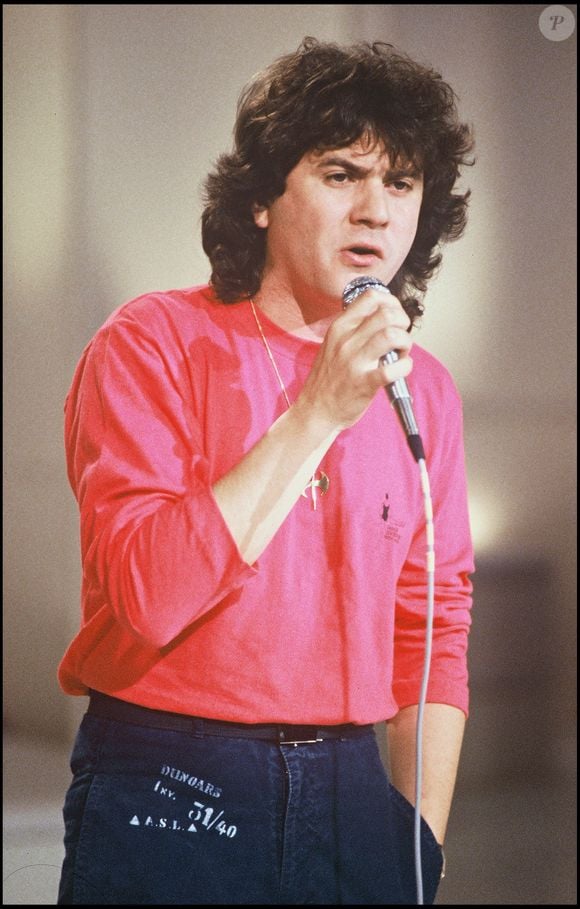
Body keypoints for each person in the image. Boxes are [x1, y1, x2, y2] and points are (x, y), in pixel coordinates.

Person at [57, 36, 475, 905]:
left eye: (400, 184)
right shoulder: (153, 341)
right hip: (175, 768)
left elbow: (433, 621)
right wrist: (318, 410)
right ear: (260, 200)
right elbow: (147, 592)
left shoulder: (422, 387)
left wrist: (420, 834)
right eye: (341, 175)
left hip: (355, 789)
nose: (376, 212)